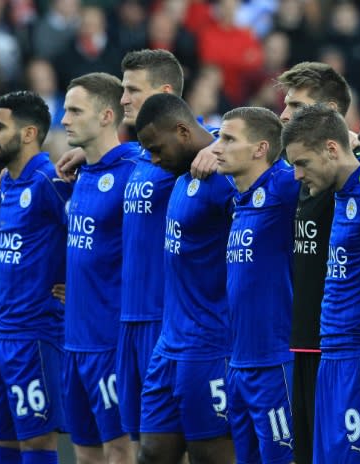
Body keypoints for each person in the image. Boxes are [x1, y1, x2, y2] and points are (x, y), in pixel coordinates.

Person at [56, 49, 191, 448]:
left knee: (147, 449)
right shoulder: (121, 164)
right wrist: (94, 157)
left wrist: (214, 146)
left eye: (132, 89)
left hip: (140, 328)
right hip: (90, 333)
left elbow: (207, 137)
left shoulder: (162, 159)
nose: (124, 98)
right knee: (115, 449)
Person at [274, 61, 360, 464]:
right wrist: (213, 144)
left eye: (296, 106)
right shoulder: (296, 171)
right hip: (299, 343)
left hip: (351, 348)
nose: (285, 115)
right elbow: (242, 138)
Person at [134, 93, 236, 464]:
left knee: (212, 455)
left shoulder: (225, 174)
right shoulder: (179, 171)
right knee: (152, 453)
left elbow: (268, 154)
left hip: (210, 345)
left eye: (157, 149)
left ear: (181, 130)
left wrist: (220, 143)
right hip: (169, 344)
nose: (154, 159)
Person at [0, 90, 72, 464]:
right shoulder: (7, 183)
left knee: (37, 444)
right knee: (3, 442)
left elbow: (93, 234)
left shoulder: (52, 181)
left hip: (35, 335)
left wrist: (78, 284)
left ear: (29, 133)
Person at [62, 73, 139, 464]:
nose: (64, 119)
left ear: (107, 115)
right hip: (73, 341)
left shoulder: (134, 168)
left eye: (75, 111)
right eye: (64, 110)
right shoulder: (79, 175)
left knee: (120, 450)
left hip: (111, 342)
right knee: (86, 454)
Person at [213, 107, 298, 464]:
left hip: (275, 362)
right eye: (218, 137)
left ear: (260, 148)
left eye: (229, 139)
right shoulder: (241, 198)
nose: (217, 147)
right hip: (238, 363)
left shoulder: (283, 185)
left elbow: (357, 171)